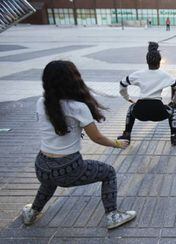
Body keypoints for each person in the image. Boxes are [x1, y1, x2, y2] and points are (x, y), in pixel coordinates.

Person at [21, 61, 136, 229]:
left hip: (42, 166)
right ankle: (112, 215)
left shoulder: (41, 102)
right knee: (108, 172)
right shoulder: (77, 107)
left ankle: (32, 212)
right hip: (70, 168)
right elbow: (96, 138)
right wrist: (118, 144)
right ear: (73, 80)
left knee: (50, 180)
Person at [117, 42, 176, 146]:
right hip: (158, 111)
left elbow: (122, 84)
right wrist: (174, 101)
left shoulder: (138, 74)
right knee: (173, 111)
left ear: (147, 61)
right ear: (159, 62)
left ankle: (126, 135)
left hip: (140, 111)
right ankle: (174, 136)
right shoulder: (165, 75)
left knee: (131, 108)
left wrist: (128, 98)